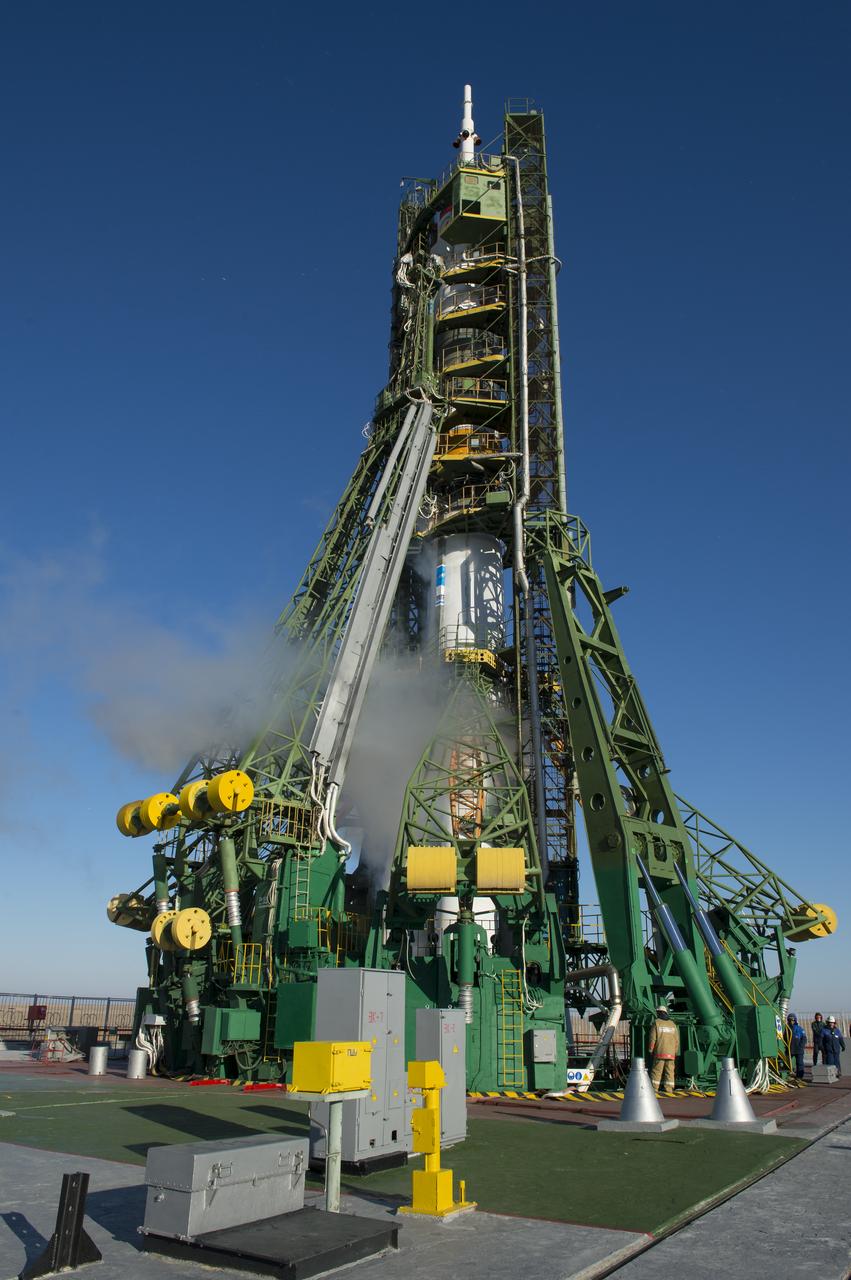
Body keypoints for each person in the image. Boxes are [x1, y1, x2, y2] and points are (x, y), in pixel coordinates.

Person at [648, 1004, 680, 1094]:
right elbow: (677, 1040)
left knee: (657, 1071)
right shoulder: (672, 1024)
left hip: (660, 1052)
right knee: (669, 1072)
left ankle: (654, 1089)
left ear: (658, 1013)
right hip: (671, 1053)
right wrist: (675, 1052)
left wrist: (650, 1050)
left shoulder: (657, 1023)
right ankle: (669, 1089)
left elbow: (652, 1038)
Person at [786, 1014, 806, 1079]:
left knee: (799, 1063)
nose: (792, 1022)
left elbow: (804, 1038)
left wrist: (801, 1047)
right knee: (787, 1063)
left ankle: (799, 1076)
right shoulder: (786, 1028)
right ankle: (788, 1075)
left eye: (793, 1020)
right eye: (790, 1020)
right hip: (790, 1048)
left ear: (795, 1020)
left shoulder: (799, 1028)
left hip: (798, 1049)